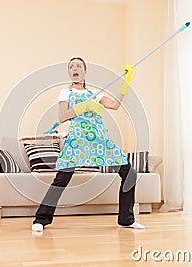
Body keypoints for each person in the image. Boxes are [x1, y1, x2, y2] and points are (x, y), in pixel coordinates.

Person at [32, 57, 144, 232]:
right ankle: (41, 219)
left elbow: (115, 105)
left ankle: (126, 219)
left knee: (129, 174)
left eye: (78, 66)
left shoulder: (96, 93)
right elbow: (62, 117)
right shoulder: (65, 92)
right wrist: (83, 107)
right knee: (62, 178)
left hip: (100, 138)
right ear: (69, 72)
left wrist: (125, 82)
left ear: (85, 71)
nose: (74, 69)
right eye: (71, 67)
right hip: (78, 138)